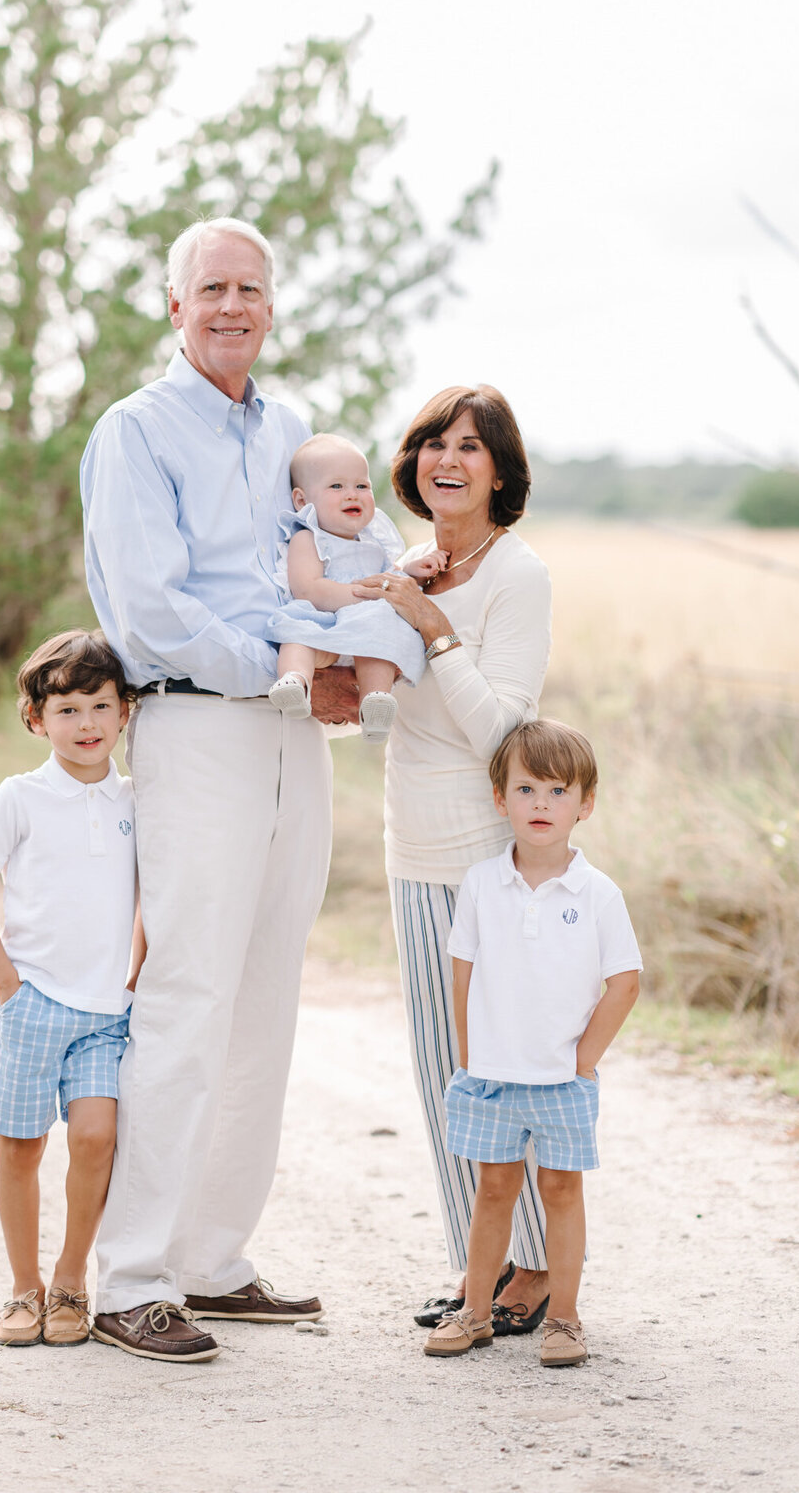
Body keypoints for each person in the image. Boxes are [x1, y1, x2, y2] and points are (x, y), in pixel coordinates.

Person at [80, 216, 355, 1364]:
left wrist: (336, 661)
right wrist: (274, 670)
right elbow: (147, 608)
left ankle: (212, 1258)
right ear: (176, 303)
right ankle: (130, 1276)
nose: (232, 305)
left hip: (299, 735)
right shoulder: (136, 431)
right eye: (212, 288)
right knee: (190, 988)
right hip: (200, 726)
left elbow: (328, 556)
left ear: (272, 305)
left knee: (268, 990)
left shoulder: (290, 428)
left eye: (251, 287)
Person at [350, 384, 556, 1334]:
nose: (449, 458)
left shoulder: (516, 576)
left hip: (483, 853)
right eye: (435, 441)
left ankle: (535, 1271)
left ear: (501, 471)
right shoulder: (408, 562)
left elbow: (503, 732)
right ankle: (479, 1268)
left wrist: (433, 627)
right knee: (442, 1069)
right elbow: (364, 702)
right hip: (410, 843)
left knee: (499, 1063)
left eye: (471, 446)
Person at [422, 719, 641, 1367]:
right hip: (493, 1075)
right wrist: (470, 1054)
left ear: (585, 803)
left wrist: (583, 1060)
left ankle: (565, 1319)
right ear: (500, 800)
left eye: (556, 790)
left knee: (562, 1192)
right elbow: (460, 971)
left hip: (562, 1081)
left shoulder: (598, 894)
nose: (540, 804)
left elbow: (624, 983)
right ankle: (476, 1311)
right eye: (525, 790)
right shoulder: (483, 884)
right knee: (494, 1189)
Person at [0, 631, 145, 1348]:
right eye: (67, 710)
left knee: (97, 1136)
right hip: (34, 1002)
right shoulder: (20, 799)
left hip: (106, 1011)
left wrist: (136, 972)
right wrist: (10, 988)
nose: (87, 724)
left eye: (101, 705)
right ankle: (23, 1289)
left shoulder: (137, 798)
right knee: (23, 1147)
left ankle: (71, 1281)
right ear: (37, 720)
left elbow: (154, 896)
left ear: (126, 712)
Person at [267, 433, 439, 743]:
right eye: (337, 486)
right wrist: (364, 595)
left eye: (362, 486)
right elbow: (307, 589)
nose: (352, 494)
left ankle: (374, 701)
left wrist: (409, 572)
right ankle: (295, 681)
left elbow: (387, 577)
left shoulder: (372, 544)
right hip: (323, 626)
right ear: (302, 500)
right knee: (297, 635)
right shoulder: (308, 538)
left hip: (364, 631)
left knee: (382, 642)